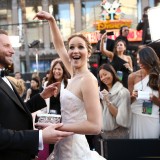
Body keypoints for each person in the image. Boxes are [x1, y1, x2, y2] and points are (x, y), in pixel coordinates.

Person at [34, 11, 106, 160]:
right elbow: (59, 46)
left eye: (80, 47)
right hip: (62, 144)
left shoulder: (88, 80)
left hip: (75, 149)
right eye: (71, 47)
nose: (75, 51)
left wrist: (58, 127)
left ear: (88, 51)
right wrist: (51, 20)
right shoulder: (73, 74)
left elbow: (95, 126)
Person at [0, 29, 73, 160]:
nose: (12, 51)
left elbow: (16, 112)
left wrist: (42, 96)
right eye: (6, 46)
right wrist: (39, 137)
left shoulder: (5, 78)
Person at [98, 63, 131, 158]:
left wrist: (108, 101)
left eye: (105, 74)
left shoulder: (123, 92)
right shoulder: (101, 92)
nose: (103, 78)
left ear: (112, 73)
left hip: (119, 135)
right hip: (104, 136)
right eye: (101, 76)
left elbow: (121, 118)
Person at [128, 46, 160, 139]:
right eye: (137, 59)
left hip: (152, 118)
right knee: (135, 149)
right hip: (135, 116)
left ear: (149, 59)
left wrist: (153, 98)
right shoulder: (132, 77)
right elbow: (128, 102)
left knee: (150, 149)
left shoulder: (158, 77)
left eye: (142, 60)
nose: (139, 62)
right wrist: (133, 96)